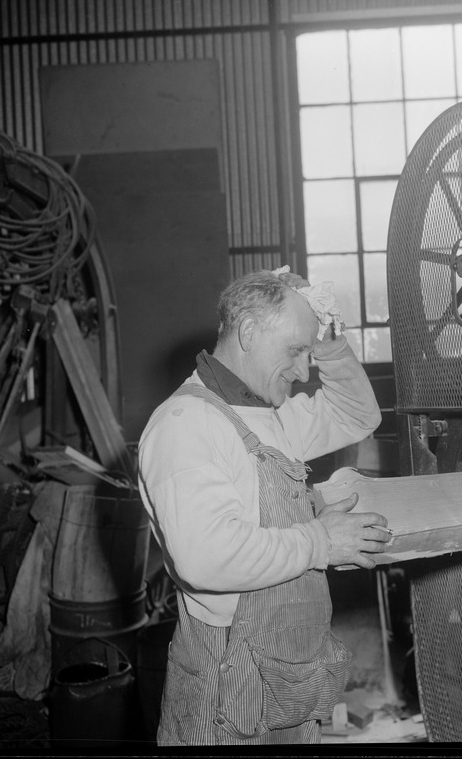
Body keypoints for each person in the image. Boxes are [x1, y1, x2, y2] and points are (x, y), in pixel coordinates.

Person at [137, 268, 390, 745]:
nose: (303, 370)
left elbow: (358, 415)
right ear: (249, 332)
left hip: (283, 675)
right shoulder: (186, 424)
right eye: (295, 351)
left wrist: (330, 339)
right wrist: (320, 540)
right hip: (228, 681)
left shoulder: (265, 414)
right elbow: (205, 558)